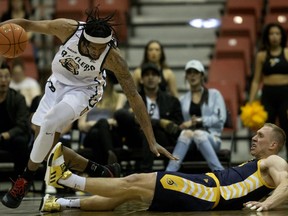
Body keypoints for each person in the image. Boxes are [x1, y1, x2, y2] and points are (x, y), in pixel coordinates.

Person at [0, 7, 176, 209]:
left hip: (84, 90)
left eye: (100, 48)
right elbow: (27, 24)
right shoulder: (66, 29)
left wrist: (151, 140)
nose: (96, 52)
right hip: (56, 83)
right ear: (84, 37)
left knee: (50, 121)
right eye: (92, 47)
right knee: (46, 146)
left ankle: (24, 181)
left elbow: (134, 97)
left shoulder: (113, 58)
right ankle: (102, 171)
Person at [40, 123, 288, 212]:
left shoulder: (273, 161)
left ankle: (66, 178)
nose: (254, 138)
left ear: (274, 144)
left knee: (133, 180)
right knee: (127, 193)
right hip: (204, 187)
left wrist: (267, 204)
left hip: (208, 192)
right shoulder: (259, 164)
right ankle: (61, 203)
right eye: (254, 134)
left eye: (260, 136)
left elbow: (286, 183)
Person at [115, 62, 183, 172]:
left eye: (154, 74)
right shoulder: (134, 99)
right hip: (137, 137)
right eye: (146, 75)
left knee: (152, 131)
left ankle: (145, 172)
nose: (150, 77)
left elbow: (177, 127)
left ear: (160, 79)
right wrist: (159, 122)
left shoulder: (172, 101)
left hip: (162, 138)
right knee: (144, 129)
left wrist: (148, 123)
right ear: (141, 80)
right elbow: (120, 115)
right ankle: (146, 172)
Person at [166, 60, 226, 172]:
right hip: (190, 140)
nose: (192, 75)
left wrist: (199, 121)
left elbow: (220, 118)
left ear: (202, 75)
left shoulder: (214, 94)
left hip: (213, 138)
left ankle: (220, 171)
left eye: (196, 72)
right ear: (186, 76)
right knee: (186, 133)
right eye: (189, 72)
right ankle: (169, 173)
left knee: (198, 133)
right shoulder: (183, 100)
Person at [249, 23, 288, 159]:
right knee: (266, 131)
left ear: (282, 36)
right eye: (271, 34)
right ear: (267, 36)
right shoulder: (261, 55)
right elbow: (255, 80)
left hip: (286, 96)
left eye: (277, 33)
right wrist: (251, 101)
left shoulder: (287, 53)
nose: (274, 37)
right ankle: (263, 163)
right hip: (268, 96)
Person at [78, 69, 127, 164]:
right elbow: (81, 126)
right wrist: (103, 122)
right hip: (89, 137)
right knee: (101, 124)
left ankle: (102, 171)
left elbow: (116, 121)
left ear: (111, 80)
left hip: (112, 135)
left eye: (104, 78)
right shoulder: (86, 99)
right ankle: (111, 156)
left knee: (98, 133)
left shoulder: (120, 97)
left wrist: (92, 123)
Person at [0, 61, 31, 179]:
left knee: (20, 141)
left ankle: (18, 182)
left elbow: (22, 125)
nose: (3, 80)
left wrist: (6, 135)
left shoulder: (18, 98)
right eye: (0, 77)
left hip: (11, 138)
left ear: (10, 79)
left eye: (6, 77)